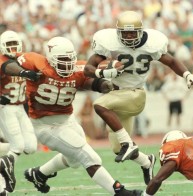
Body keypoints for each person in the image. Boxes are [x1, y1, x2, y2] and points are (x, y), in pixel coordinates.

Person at [2, 36, 142, 196]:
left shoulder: (78, 68)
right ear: (50, 58)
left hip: (68, 120)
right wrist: (24, 72)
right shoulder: (36, 62)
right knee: (89, 156)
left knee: (74, 160)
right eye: (62, 59)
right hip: (44, 125)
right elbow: (7, 64)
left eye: (70, 58)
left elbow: (89, 82)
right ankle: (119, 191)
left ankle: (39, 173)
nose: (67, 63)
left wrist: (105, 85)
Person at [83, 10, 193, 185]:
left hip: (135, 94)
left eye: (133, 32)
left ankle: (129, 144)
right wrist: (101, 72)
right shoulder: (109, 43)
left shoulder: (151, 44)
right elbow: (88, 68)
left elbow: (171, 61)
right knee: (118, 148)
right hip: (117, 95)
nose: (130, 36)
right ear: (118, 32)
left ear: (141, 31)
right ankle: (147, 162)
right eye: (125, 33)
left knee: (100, 105)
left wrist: (188, 76)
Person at [0, 30, 38, 193]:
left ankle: (4, 157)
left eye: (14, 43)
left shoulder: (25, 59)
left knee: (30, 147)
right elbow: (8, 67)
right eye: (9, 44)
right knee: (18, 146)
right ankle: (2, 185)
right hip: (5, 108)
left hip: (20, 108)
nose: (13, 47)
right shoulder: (2, 61)